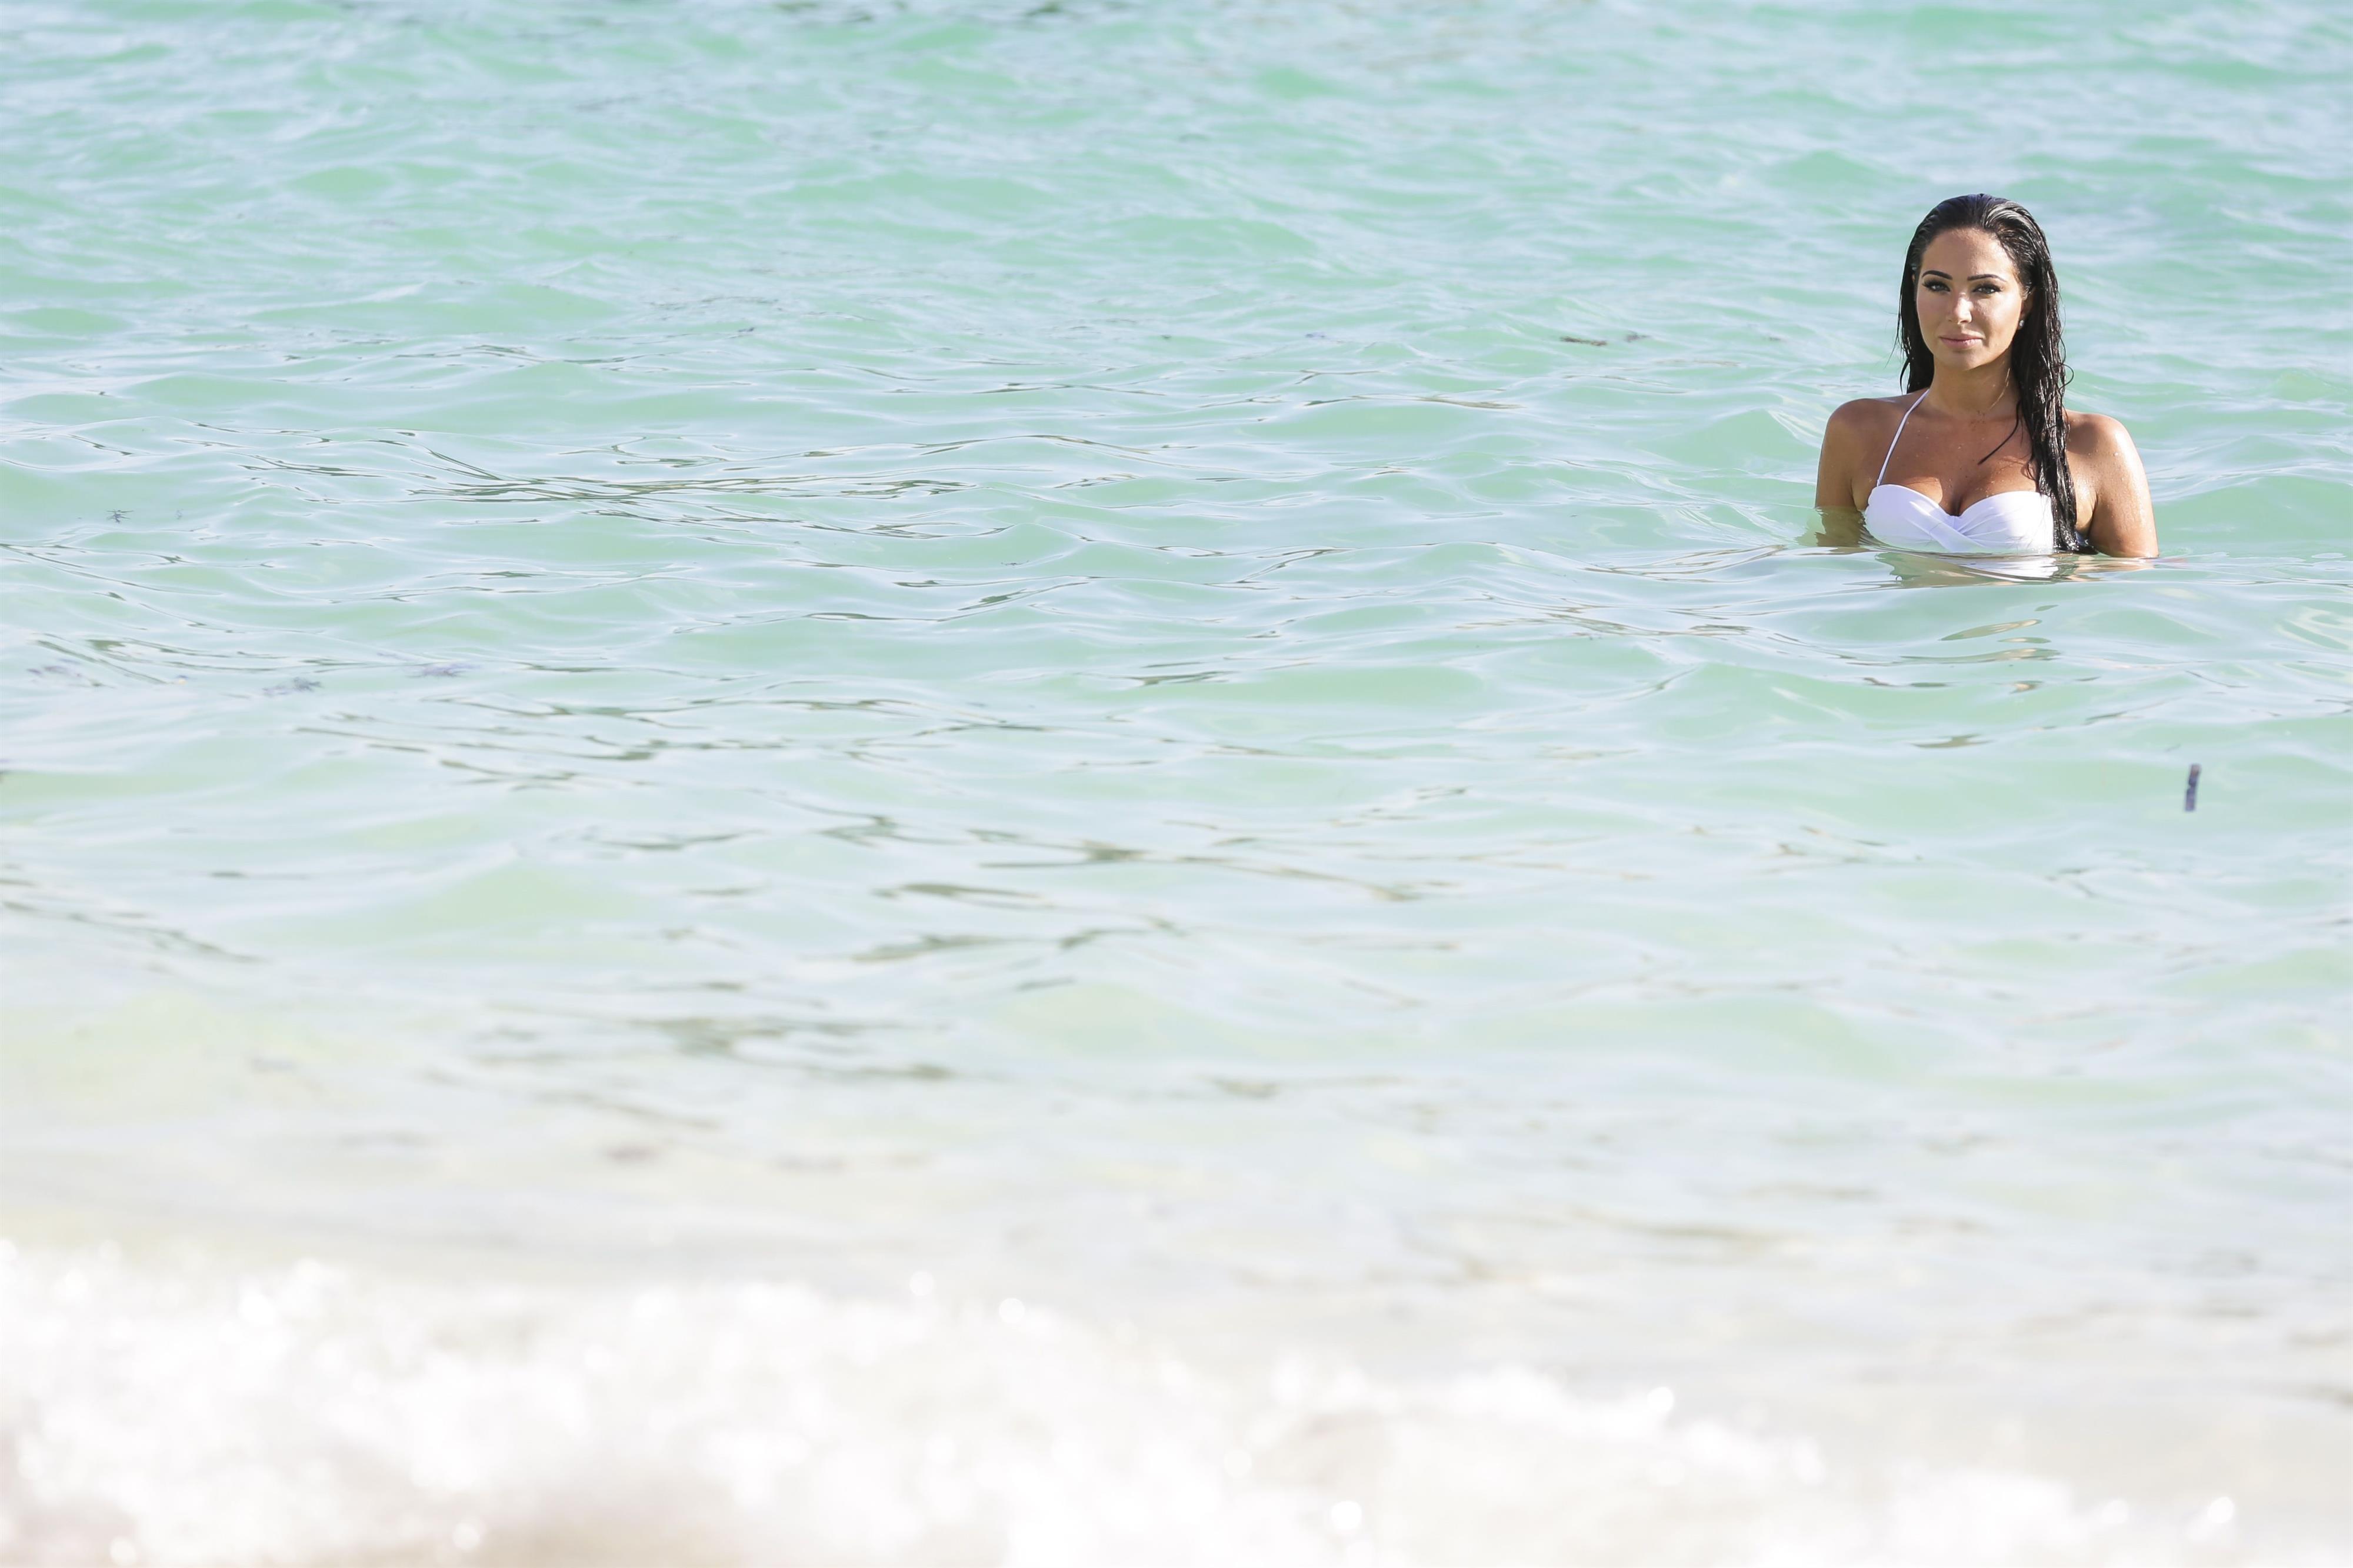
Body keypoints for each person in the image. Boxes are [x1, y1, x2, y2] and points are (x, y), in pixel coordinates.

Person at [1816, 194, 2156, 558]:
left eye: (1986, 289)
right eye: (1937, 286)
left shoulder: (2092, 444)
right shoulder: (1859, 430)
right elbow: (1832, 571)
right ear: (1914, 288)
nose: (1958, 312)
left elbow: (2132, 591)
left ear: (2027, 301)